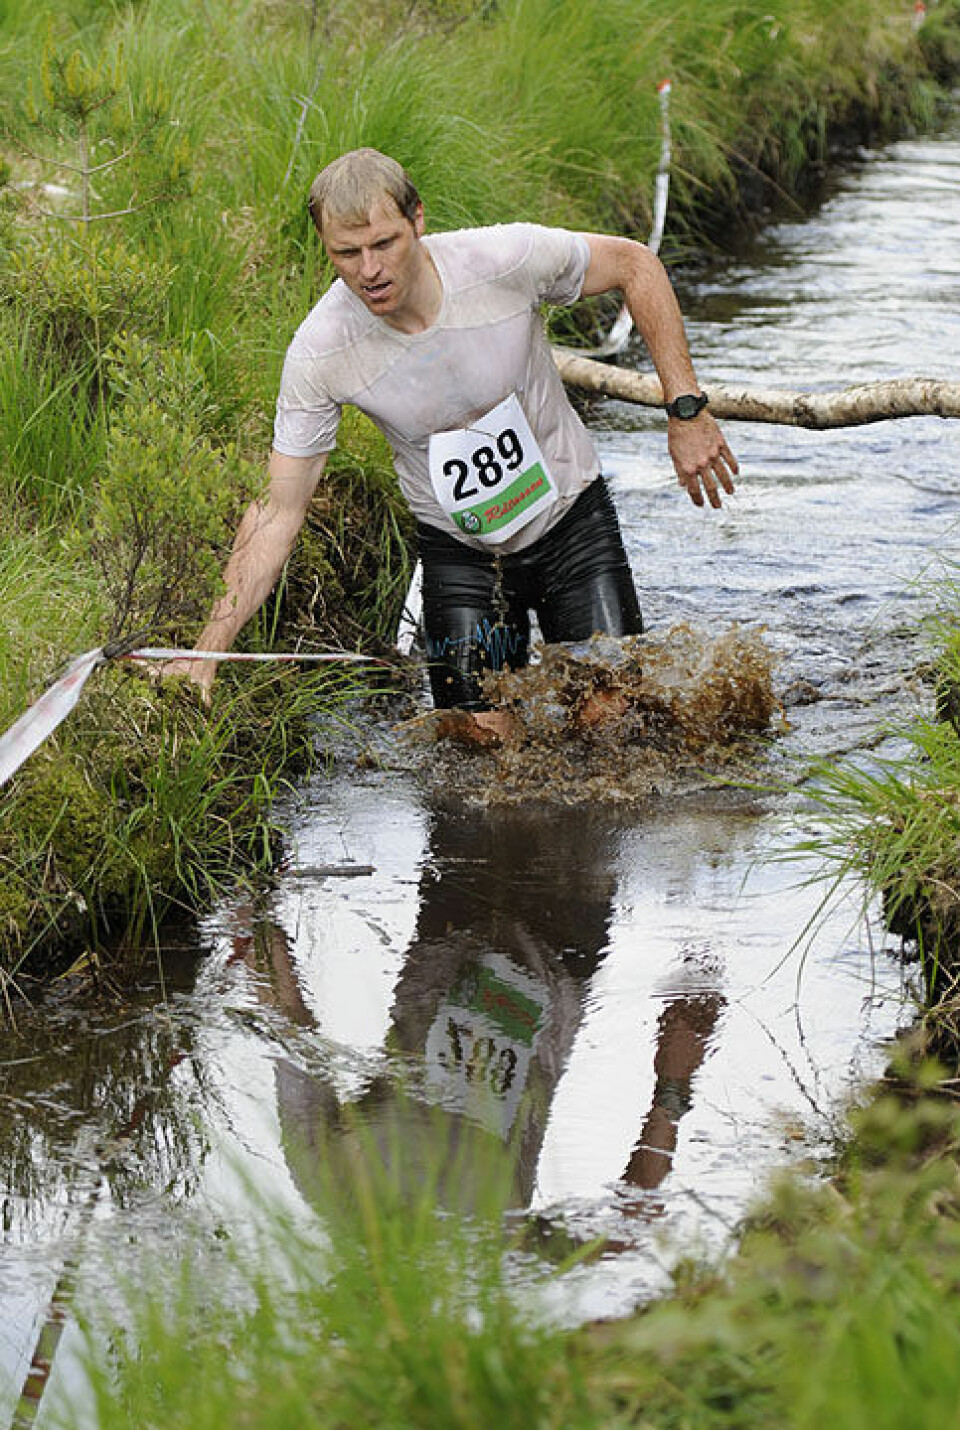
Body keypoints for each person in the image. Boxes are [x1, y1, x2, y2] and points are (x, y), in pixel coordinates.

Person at [165, 148, 738, 734]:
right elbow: (277, 510)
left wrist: (686, 411)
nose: (369, 271)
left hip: (569, 521)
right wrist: (204, 652)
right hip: (461, 549)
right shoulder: (322, 351)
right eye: (347, 253)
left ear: (417, 221)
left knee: (610, 723)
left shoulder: (501, 260)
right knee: (479, 744)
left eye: (384, 243)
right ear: (327, 250)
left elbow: (636, 264)